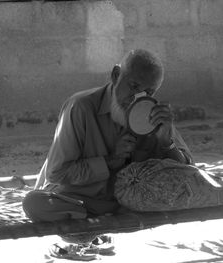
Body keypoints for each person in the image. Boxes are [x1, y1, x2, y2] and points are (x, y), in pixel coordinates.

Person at [22, 49, 193, 260]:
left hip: (127, 204)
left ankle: (92, 230)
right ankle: (98, 228)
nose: (138, 97)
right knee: (34, 203)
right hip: (80, 201)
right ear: (115, 75)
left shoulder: (153, 115)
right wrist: (109, 161)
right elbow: (57, 173)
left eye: (149, 92)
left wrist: (166, 141)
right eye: (134, 86)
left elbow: (188, 176)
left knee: (170, 202)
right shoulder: (80, 107)